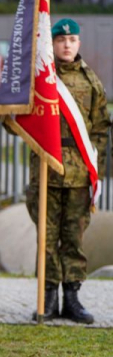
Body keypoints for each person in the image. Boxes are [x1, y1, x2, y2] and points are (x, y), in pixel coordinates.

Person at [25, 18, 110, 324]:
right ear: (53, 44)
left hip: (78, 174)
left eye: (71, 40)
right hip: (46, 171)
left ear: (78, 44)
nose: (66, 45)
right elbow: (21, 120)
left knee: (73, 238)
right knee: (47, 238)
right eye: (61, 40)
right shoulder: (39, 79)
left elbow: (100, 129)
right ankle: (47, 299)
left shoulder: (91, 82)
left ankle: (72, 299)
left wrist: (94, 169)